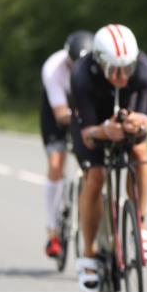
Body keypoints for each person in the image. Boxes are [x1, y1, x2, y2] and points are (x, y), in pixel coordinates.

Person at [71, 24, 147, 292]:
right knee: (96, 177)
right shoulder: (82, 74)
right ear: (98, 63)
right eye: (113, 70)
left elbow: (145, 120)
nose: (121, 78)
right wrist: (104, 130)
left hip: (124, 117)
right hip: (94, 124)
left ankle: (140, 226)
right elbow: (87, 135)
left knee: (140, 152)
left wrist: (136, 124)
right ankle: (88, 254)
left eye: (126, 70)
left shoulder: (145, 69)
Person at [40, 30, 93, 259]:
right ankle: (53, 230)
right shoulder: (53, 68)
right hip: (58, 110)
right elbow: (61, 113)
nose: (76, 69)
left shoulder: (95, 66)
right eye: (73, 64)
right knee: (56, 163)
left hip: (84, 107)